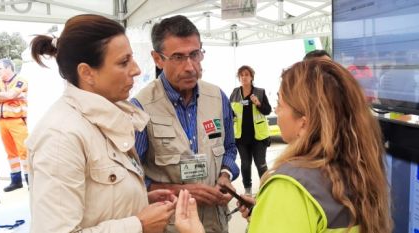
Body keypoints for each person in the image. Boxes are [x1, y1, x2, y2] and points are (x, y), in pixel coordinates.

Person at [27, 14, 176, 232]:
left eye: (131, 58)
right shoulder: (61, 137)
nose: (136, 69)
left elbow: (97, 200)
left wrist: (139, 200)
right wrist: (139, 225)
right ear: (87, 73)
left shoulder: (107, 118)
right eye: (124, 62)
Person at [238, 59, 392, 233]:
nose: (276, 111)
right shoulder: (361, 170)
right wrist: (266, 214)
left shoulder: (288, 187)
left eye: (280, 104)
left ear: (304, 123)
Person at [131, 15, 239, 233]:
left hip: (214, 223)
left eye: (195, 54)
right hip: (170, 225)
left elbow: (229, 148)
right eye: (178, 57)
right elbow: (131, 179)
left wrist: (225, 176)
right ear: (157, 59)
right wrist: (179, 190)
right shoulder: (141, 107)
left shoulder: (217, 97)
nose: (190, 66)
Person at [229, 65, 271, 195]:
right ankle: (247, 190)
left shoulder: (260, 92)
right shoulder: (235, 93)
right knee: (245, 165)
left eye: (246, 74)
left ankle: (267, 189)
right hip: (241, 137)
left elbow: (267, 111)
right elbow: (230, 113)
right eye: (241, 75)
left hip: (259, 136)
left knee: (261, 164)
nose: (244, 77)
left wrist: (258, 103)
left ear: (251, 77)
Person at [0, 58, 29, 192]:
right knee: (11, 153)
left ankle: (30, 181)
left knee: (24, 152)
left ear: (8, 68)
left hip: (17, 121)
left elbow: (10, 94)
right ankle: (16, 181)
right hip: (2, 121)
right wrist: (6, 96)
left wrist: (6, 95)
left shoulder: (21, 81)